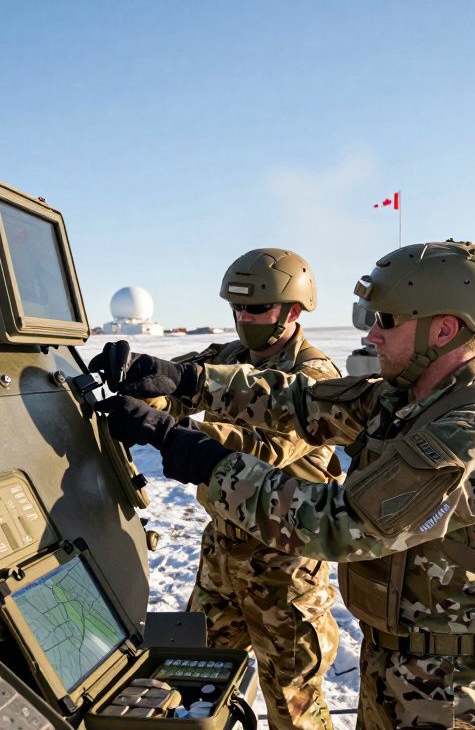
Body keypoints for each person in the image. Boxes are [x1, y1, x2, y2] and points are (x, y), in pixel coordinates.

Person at [91, 241, 475, 730]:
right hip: (398, 667)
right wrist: (182, 379)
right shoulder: (407, 400)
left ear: (443, 329)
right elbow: (302, 401)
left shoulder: (472, 437)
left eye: (387, 321)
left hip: (450, 693)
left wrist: (195, 451)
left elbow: (334, 523)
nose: (373, 336)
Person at [148, 248, 342, 730]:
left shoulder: (316, 378)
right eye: (236, 308)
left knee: (293, 707)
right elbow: (176, 385)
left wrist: (170, 435)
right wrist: (140, 381)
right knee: (193, 686)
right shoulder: (228, 358)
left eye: (256, 309)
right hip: (222, 556)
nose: (243, 318)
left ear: (294, 310)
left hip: (285, 566)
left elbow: (266, 448)